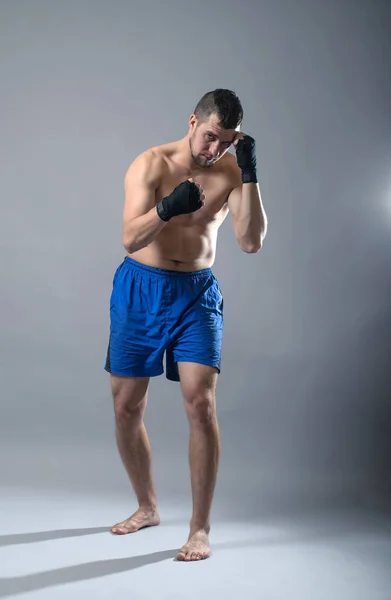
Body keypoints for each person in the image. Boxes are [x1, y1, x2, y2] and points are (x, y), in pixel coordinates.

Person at [104, 89, 267, 561]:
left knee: (200, 404)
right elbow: (129, 237)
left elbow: (251, 241)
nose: (215, 149)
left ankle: (200, 529)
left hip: (195, 294)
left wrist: (251, 174)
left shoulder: (233, 172)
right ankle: (147, 507)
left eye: (227, 142)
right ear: (193, 121)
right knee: (126, 407)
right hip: (140, 287)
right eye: (211, 136)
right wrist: (165, 209)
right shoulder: (151, 164)